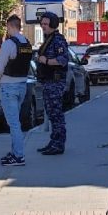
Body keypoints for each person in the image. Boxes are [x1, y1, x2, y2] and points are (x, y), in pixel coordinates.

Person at [0, 14, 34, 166]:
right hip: (22, 85)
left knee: (14, 123)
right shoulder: (27, 43)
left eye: (7, 27)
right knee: (16, 121)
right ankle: (15, 152)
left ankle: (19, 156)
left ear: (10, 26)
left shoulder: (9, 43)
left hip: (8, 86)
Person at [35, 11, 71, 155]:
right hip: (48, 81)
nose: (43, 26)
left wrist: (47, 61)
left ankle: (59, 143)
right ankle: (54, 141)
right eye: (42, 23)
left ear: (53, 24)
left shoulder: (58, 40)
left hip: (55, 82)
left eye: (45, 24)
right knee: (51, 113)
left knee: (56, 114)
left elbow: (63, 60)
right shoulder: (48, 39)